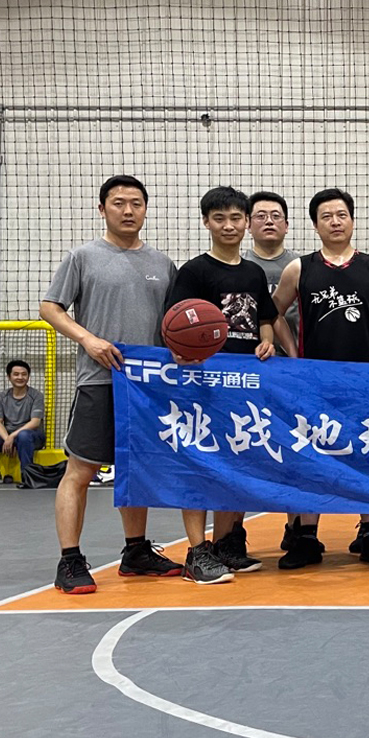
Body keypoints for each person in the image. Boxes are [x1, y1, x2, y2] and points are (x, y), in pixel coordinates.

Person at [40, 175, 183, 594]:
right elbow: (50, 307)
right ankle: (69, 560)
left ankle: (136, 552)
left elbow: (175, 324)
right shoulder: (83, 257)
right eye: (118, 203)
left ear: (145, 209)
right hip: (99, 380)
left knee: (135, 470)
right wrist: (87, 338)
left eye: (136, 203)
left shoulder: (162, 264)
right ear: (102, 209)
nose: (128, 210)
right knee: (81, 470)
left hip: (147, 386)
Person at [273, 188, 369, 570]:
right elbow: (274, 313)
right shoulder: (300, 269)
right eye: (327, 216)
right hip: (313, 382)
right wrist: (293, 354)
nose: (335, 222)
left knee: (366, 452)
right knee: (310, 454)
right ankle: (307, 535)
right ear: (315, 225)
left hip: (365, 381)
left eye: (342, 214)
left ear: (353, 221)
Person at [164, 186, 279, 584]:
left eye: (235, 218)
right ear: (206, 222)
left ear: (246, 222)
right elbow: (173, 323)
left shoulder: (254, 273)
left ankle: (226, 544)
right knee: (200, 467)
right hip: (202, 387)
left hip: (244, 385)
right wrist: (182, 351)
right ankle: (196, 552)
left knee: (237, 465)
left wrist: (267, 340)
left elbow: (264, 319)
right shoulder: (194, 271)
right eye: (219, 218)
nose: (228, 225)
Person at [241, 190, 300, 355]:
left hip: (294, 357)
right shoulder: (238, 266)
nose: (269, 221)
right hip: (250, 356)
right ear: (248, 225)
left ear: (286, 226)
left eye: (276, 216)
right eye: (261, 216)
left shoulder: (301, 266)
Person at [0, 359, 46, 486]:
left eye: (24, 374)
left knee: (24, 435)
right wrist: (7, 438)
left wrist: (12, 436)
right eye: (16, 374)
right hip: (9, 437)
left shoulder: (36, 396)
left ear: (28, 376)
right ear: (9, 377)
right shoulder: (2, 397)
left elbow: (35, 422)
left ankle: (27, 474)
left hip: (31, 437)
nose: (20, 377)